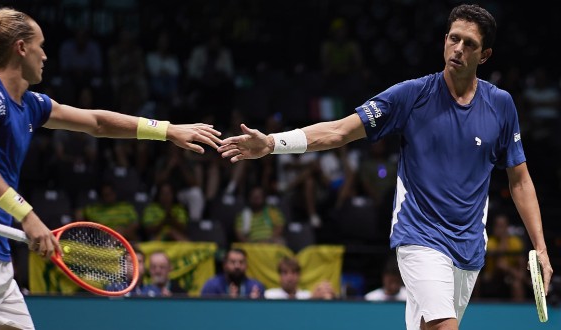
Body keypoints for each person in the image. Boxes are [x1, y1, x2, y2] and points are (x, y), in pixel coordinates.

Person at [217, 4, 553, 330]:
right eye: (453, 38)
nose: (458, 49)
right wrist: (273, 143)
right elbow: (339, 131)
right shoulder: (411, 96)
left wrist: (539, 246)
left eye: (470, 44)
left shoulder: (501, 105)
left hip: (469, 248)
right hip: (420, 237)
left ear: (485, 55)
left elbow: (519, 180)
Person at [0, 8, 221, 330]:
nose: (45, 55)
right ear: (21, 48)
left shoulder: (30, 105)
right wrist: (27, 215)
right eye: (40, 45)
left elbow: (96, 122)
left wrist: (166, 130)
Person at [478, 212, 528, 301]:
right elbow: (499, 264)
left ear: (507, 227)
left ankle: (520, 312)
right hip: (492, 276)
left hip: (511, 275)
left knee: (517, 283)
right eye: (498, 226)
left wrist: (517, 273)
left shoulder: (515, 242)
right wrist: (503, 239)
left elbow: (522, 263)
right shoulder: (489, 242)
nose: (500, 229)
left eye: (503, 226)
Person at [200, 248, 265, 298]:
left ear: (246, 265)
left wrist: (255, 304)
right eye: (233, 262)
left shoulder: (256, 286)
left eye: (241, 262)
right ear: (224, 265)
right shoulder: (212, 286)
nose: (237, 266)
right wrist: (228, 303)